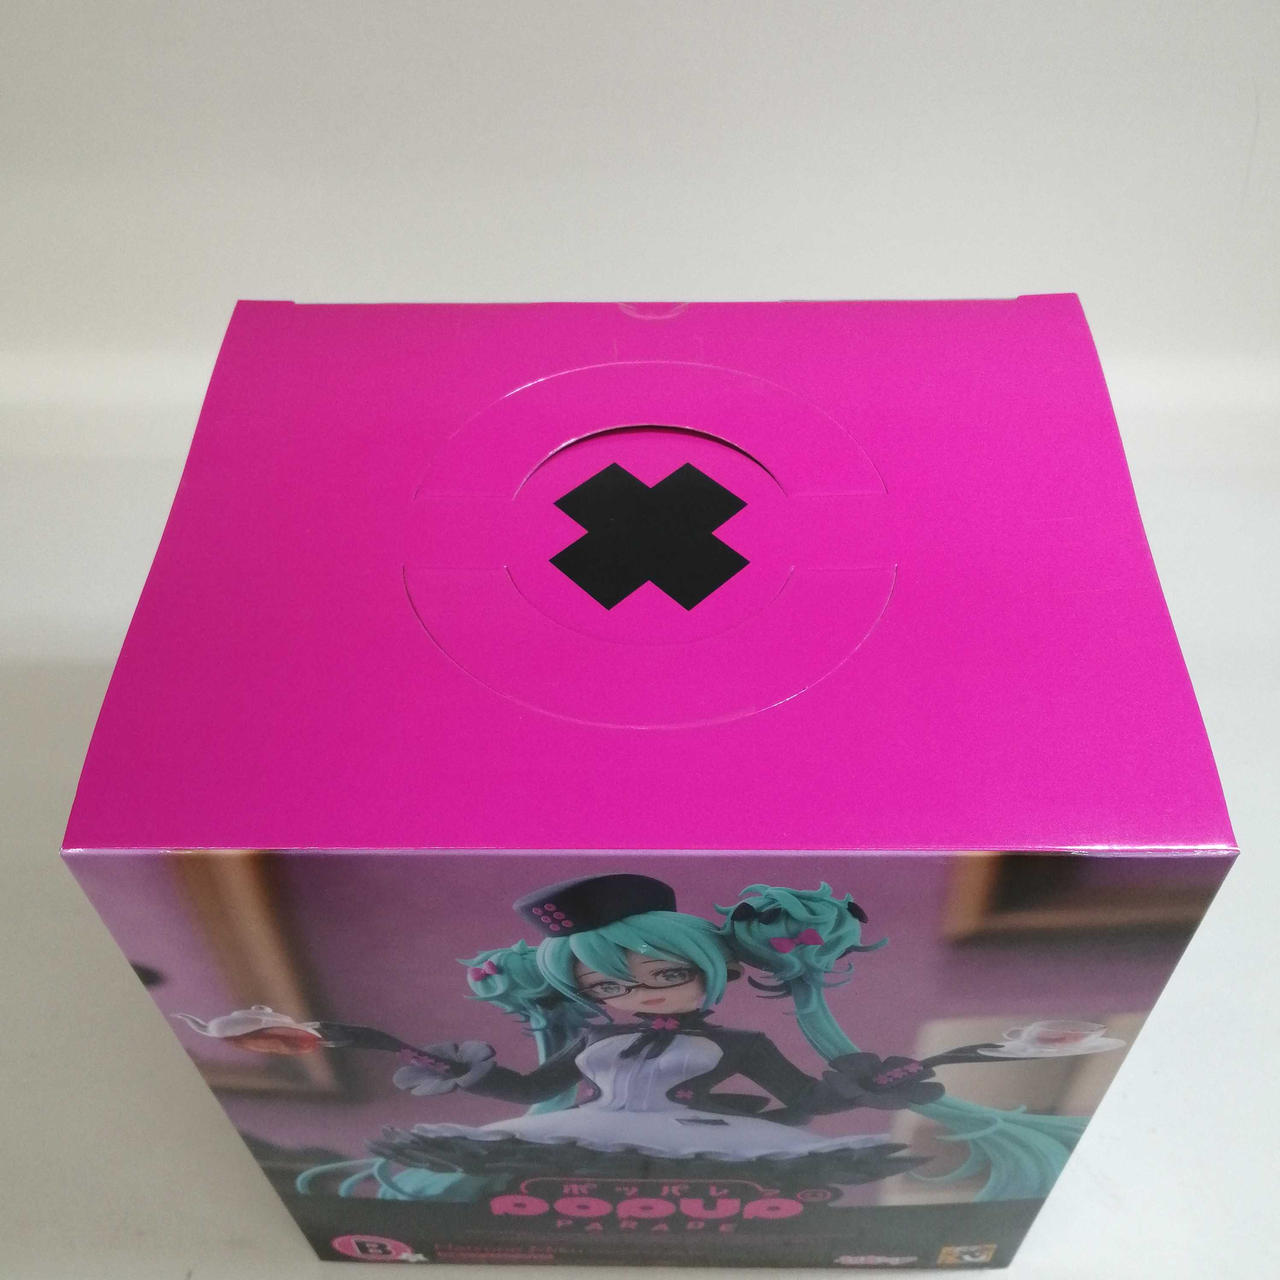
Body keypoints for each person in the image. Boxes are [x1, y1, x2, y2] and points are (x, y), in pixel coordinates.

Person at [297, 876, 1085, 1201]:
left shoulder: (739, 1045)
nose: (633, 996)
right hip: (586, 1132)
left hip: (707, 1138)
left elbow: (804, 1101)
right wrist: (462, 1072)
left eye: (662, 976)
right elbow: (535, 1092)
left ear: (712, 971)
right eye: (606, 988)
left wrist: (861, 1085)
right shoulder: (598, 1042)